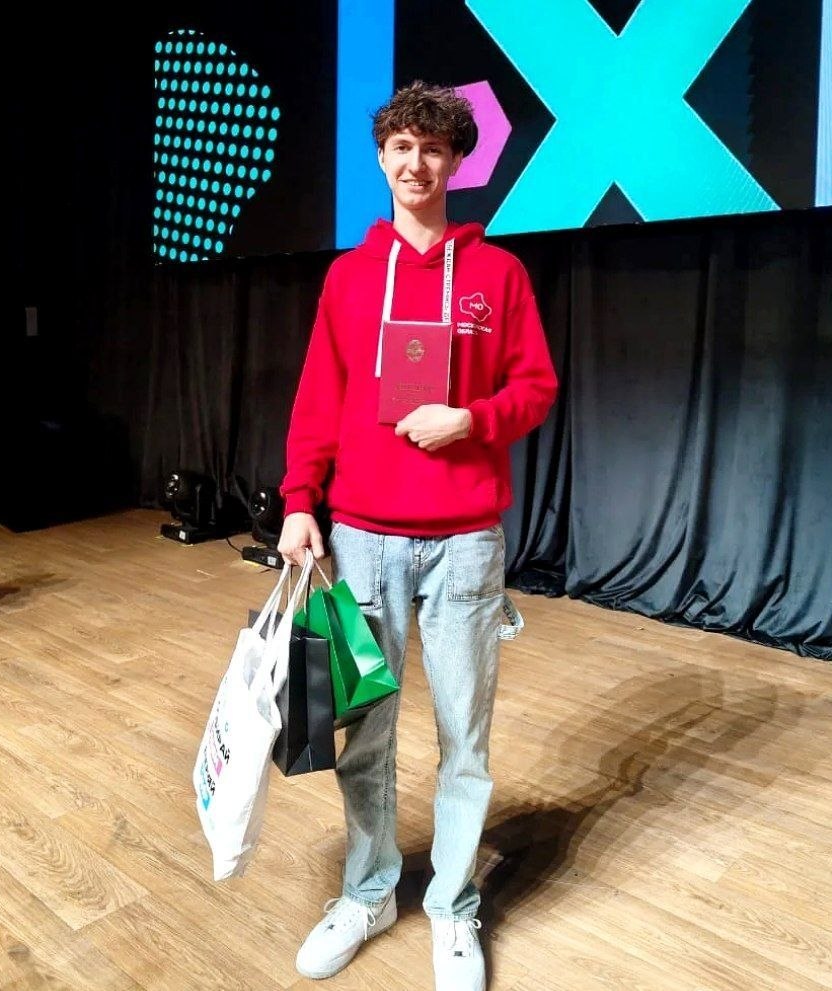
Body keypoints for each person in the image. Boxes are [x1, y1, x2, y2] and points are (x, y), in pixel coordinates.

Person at [277, 80, 558, 991]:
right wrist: (299, 499)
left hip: (466, 540)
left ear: (457, 161)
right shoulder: (349, 277)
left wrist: (470, 420)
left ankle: (452, 903)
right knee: (364, 728)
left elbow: (536, 387)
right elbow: (319, 396)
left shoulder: (499, 276)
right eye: (401, 145)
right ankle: (367, 891)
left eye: (433, 147)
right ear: (382, 157)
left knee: (464, 734)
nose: (416, 162)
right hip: (362, 535)